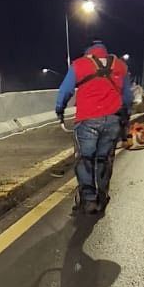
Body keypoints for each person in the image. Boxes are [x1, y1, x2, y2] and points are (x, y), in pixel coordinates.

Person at [55, 41, 133, 214]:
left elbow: (65, 90)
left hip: (87, 119)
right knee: (104, 159)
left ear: (88, 52)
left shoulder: (80, 64)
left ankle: (89, 199)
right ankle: (102, 195)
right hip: (113, 120)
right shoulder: (120, 65)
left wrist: (60, 109)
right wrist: (126, 117)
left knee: (85, 159)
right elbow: (128, 96)